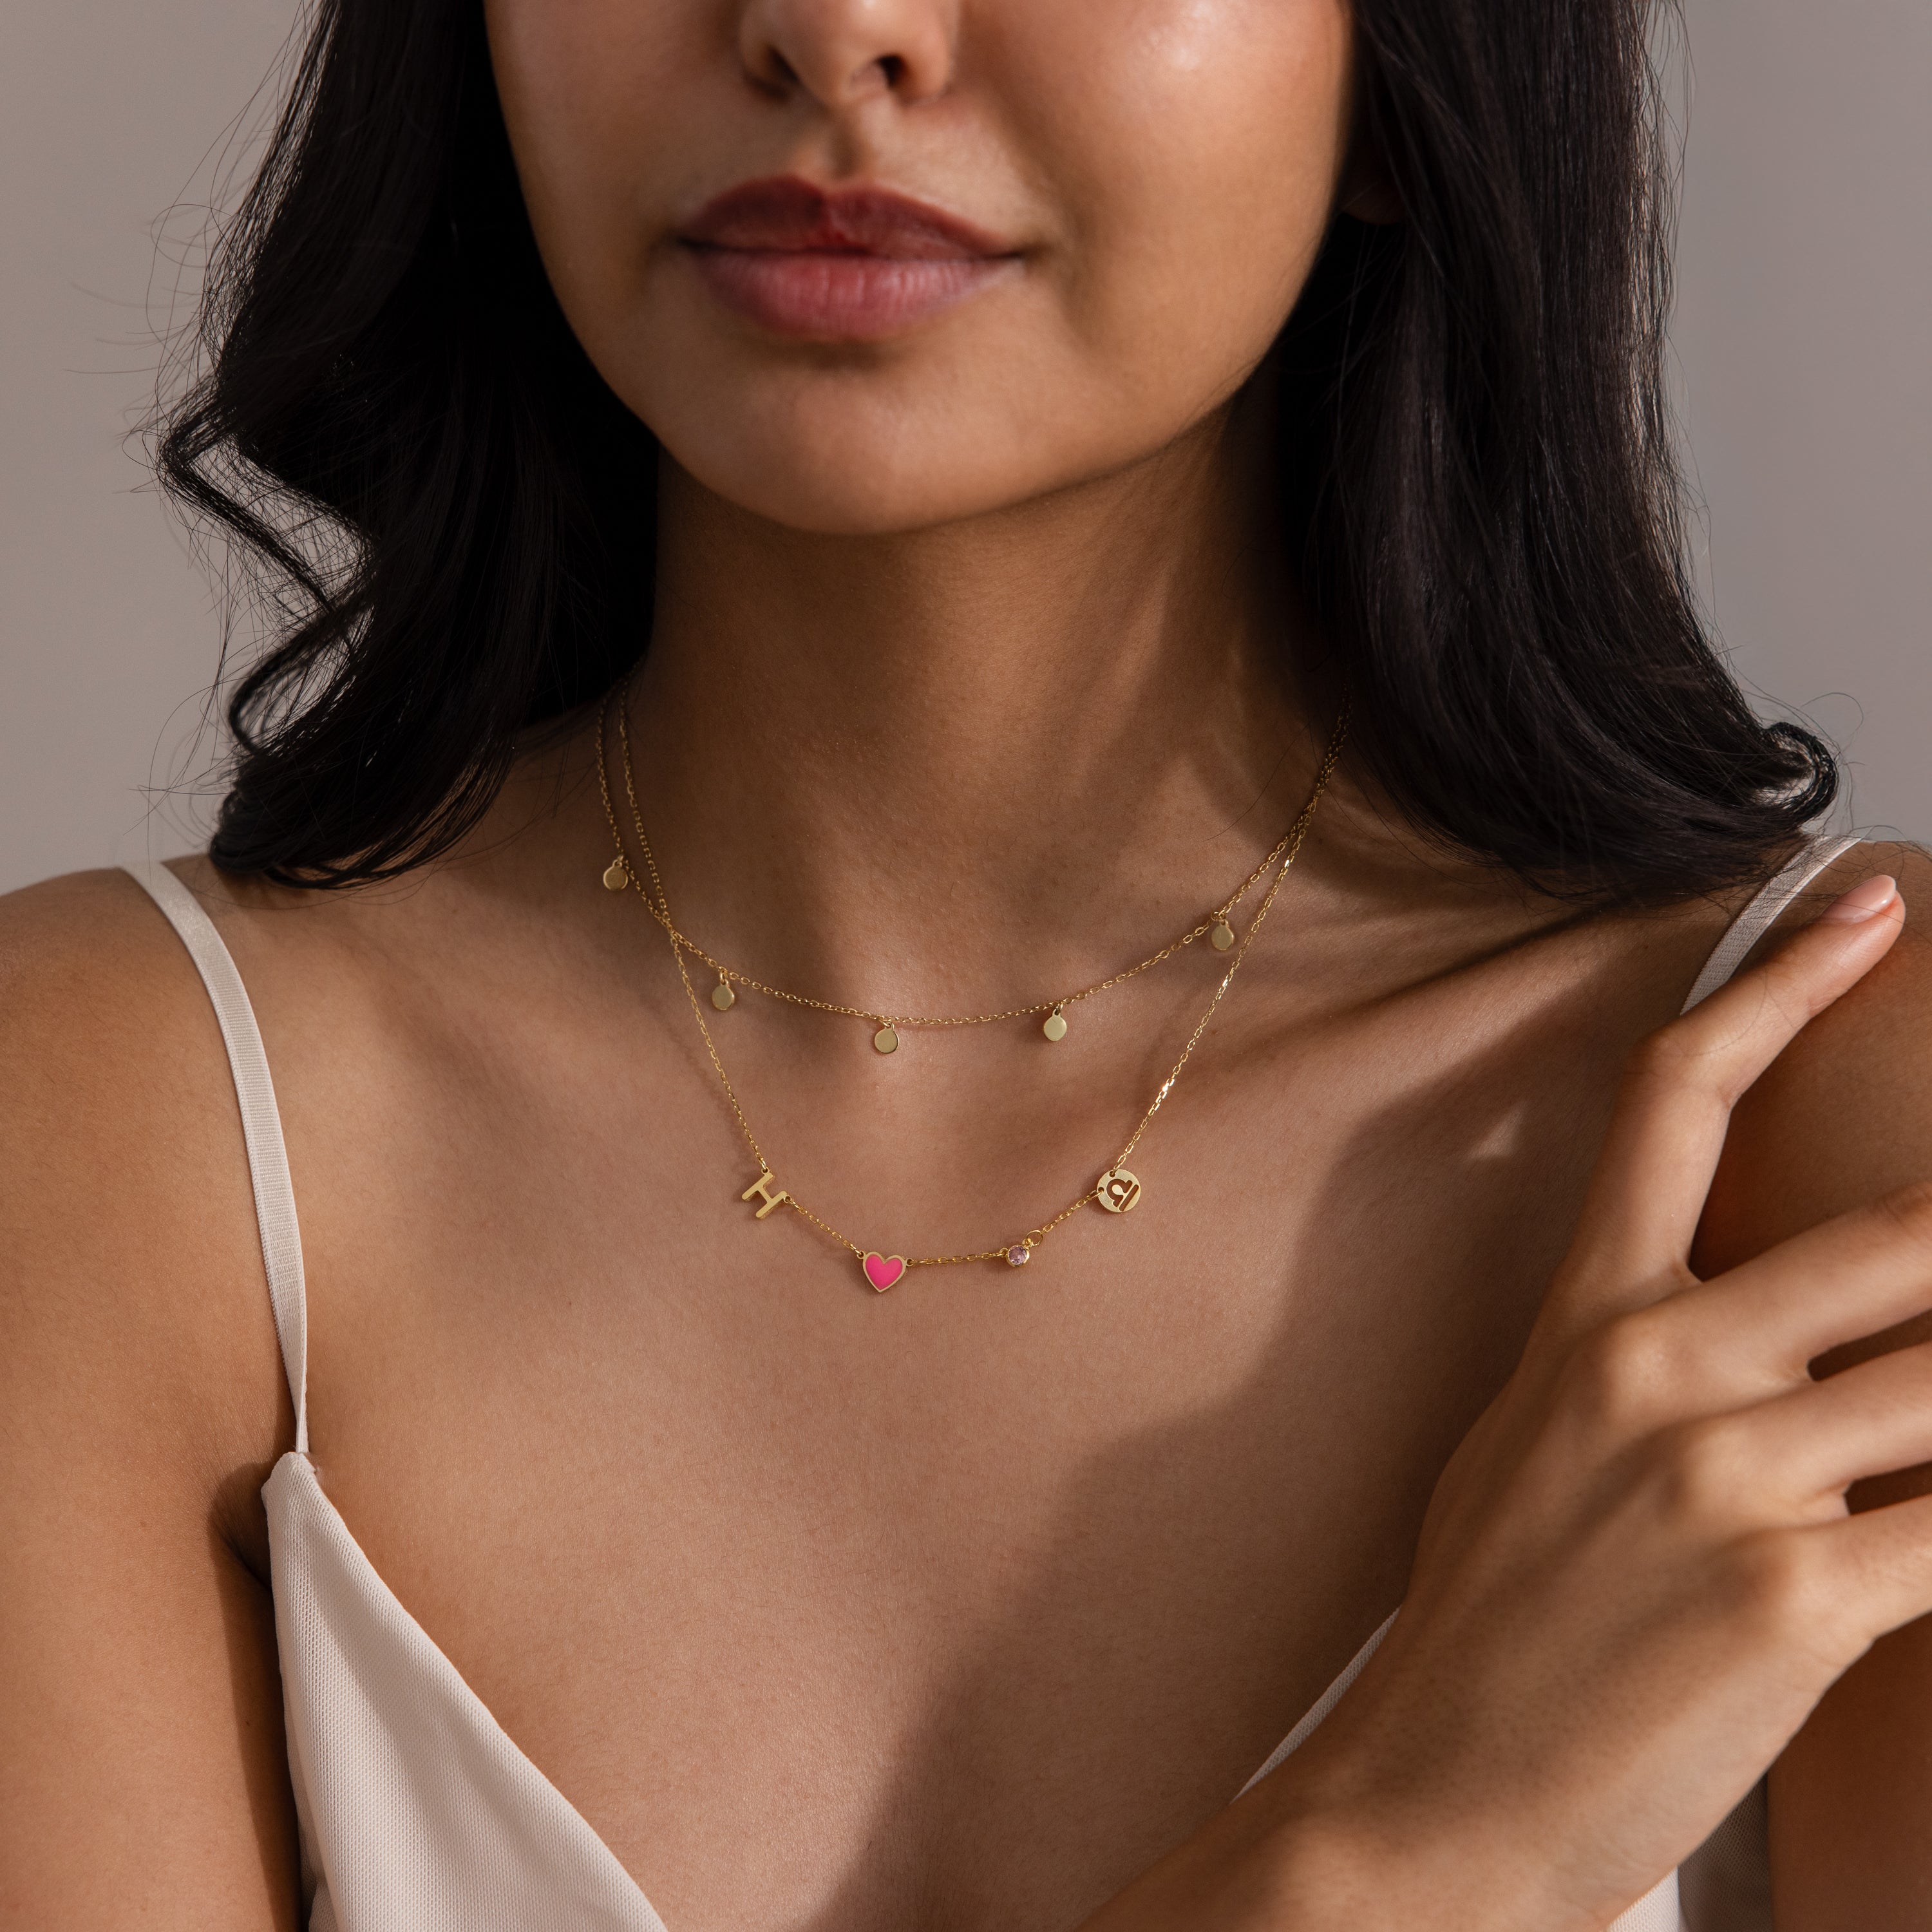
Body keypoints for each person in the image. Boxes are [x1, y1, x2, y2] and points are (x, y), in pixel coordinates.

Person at [3, 1, 1928, 1926]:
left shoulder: (1843, 1087)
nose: (836, 30)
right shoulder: (94, 1125)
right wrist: (1408, 1850)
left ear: (1412, 80)